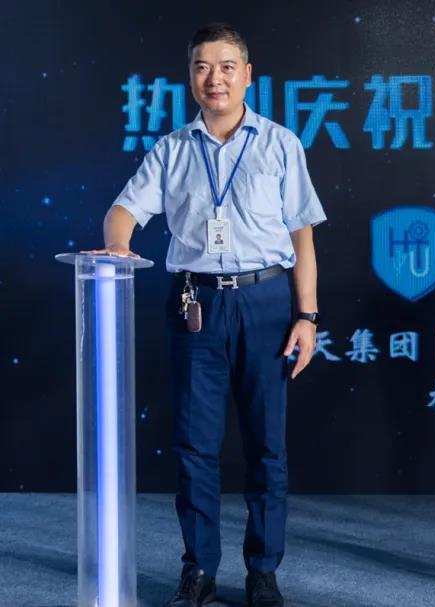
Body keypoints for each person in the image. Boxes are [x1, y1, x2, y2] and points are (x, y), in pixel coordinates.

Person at [93, 22, 326, 607]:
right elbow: (123, 211)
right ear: (191, 77)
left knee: (266, 446)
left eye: (226, 67)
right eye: (202, 67)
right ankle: (197, 570)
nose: (213, 78)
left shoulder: (280, 144)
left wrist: (308, 316)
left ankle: (263, 572)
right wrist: (118, 246)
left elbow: (302, 238)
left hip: (266, 303)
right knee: (195, 446)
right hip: (195, 304)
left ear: (247, 75)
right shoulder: (172, 149)